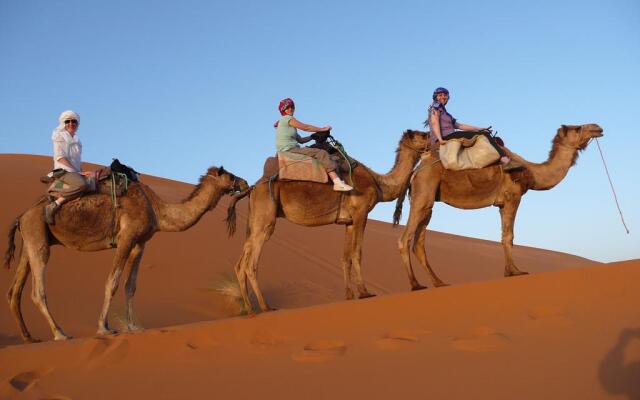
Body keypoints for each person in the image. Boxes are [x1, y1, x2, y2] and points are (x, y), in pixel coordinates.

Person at [426, 87, 521, 170]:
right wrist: (440, 139)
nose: (443, 97)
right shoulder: (436, 107)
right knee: (485, 135)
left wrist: (479, 129)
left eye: (445, 95)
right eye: (440, 95)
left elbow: (460, 126)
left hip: (449, 135)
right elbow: (434, 122)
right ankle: (505, 160)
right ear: (436, 97)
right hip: (447, 136)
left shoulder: (446, 113)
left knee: (483, 133)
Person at [275, 98, 353, 191]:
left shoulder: (288, 125)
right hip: (290, 149)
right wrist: (322, 129)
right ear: (283, 110)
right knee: (322, 153)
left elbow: (301, 140)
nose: (291, 109)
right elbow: (305, 127)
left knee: (314, 150)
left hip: (289, 148)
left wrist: (313, 136)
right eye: (287, 108)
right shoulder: (287, 118)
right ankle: (337, 182)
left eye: (292, 107)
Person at [45, 110, 90, 224]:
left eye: (74, 121)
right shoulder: (59, 136)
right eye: (68, 121)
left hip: (74, 171)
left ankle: (60, 187)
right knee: (81, 184)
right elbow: (60, 157)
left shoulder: (77, 141)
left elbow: (77, 161)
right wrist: (77, 172)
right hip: (63, 171)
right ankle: (55, 204)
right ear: (63, 123)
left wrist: (82, 172)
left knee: (92, 184)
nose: (71, 123)